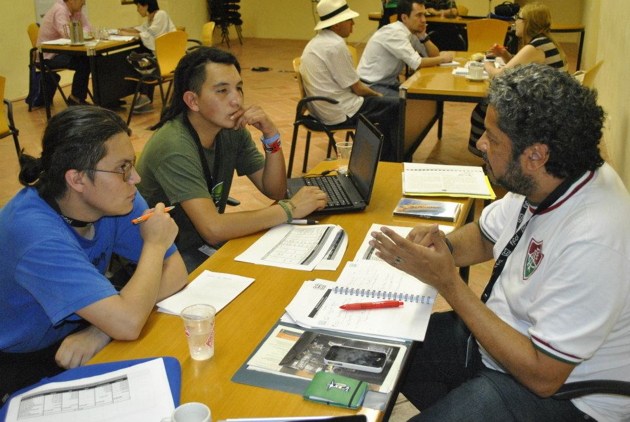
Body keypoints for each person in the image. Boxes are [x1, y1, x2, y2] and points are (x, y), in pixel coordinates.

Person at [370, 64, 630, 421]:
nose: (480, 143)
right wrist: (440, 247)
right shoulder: (549, 177)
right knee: (387, 352)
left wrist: (447, 281)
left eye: (492, 137)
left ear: (535, 155)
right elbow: (484, 234)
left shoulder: (594, 238)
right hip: (508, 341)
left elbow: (544, 377)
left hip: (568, 396)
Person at [0, 106, 188, 403]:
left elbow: (176, 270)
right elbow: (127, 323)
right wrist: (154, 245)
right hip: (18, 355)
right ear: (76, 180)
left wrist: (100, 331)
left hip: (85, 326)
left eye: (132, 165)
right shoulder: (36, 235)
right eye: (122, 168)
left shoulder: (114, 196)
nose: (135, 178)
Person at [136, 47, 328, 273]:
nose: (237, 100)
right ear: (192, 101)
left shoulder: (230, 131)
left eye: (238, 88)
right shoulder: (174, 146)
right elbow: (213, 229)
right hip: (162, 254)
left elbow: (275, 190)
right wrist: (289, 209)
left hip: (199, 244)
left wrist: (271, 136)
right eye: (222, 91)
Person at [300, 0, 400, 161]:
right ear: (336, 25)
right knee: (398, 106)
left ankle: (381, 158)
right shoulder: (336, 46)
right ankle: (393, 161)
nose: (353, 23)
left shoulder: (316, 42)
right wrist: (376, 95)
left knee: (387, 105)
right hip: (339, 110)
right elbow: (358, 89)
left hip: (322, 107)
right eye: (349, 20)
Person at [468, 2, 567, 157]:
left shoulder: (536, 46)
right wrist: (505, 55)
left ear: (528, 23)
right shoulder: (546, 42)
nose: (515, 21)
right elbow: (520, 66)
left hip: (544, 110)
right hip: (552, 103)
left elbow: (500, 76)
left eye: (518, 18)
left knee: (483, 111)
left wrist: (486, 64)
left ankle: (489, 158)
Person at [358, 0, 454, 97]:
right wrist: (443, 58)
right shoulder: (395, 33)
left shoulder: (412, 32)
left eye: (424, 15)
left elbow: (434, 55)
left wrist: (424, 38)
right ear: (404, 17)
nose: (424, 20)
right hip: (370, 86)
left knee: (423, 95)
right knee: (412, 103)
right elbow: (417, 63)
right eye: (419, 15)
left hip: (387, 82)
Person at [119, 0, 176, 114]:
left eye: (138, 5)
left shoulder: (161, 14)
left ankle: (144, 95)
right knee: (139, 57)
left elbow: (149, 35)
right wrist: (123, 30)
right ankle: (144, 96)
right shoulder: (152, 18)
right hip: (162, 57)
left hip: (168, 61)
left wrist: (127, 34)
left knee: (140, 59)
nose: (137, 9)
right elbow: (141, 29)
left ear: (146, 5)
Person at [36, 0, 92, 106]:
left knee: (98, 58)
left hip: (65, 52)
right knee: (85, 62)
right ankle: (75, 98)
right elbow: (67, 34)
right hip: (49, 56)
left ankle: (106, 98)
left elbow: (89, 27)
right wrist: (82, 33)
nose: (84, 3)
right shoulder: (60, 10)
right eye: (82, 0)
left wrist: (82, 32)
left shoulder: (77, 11)